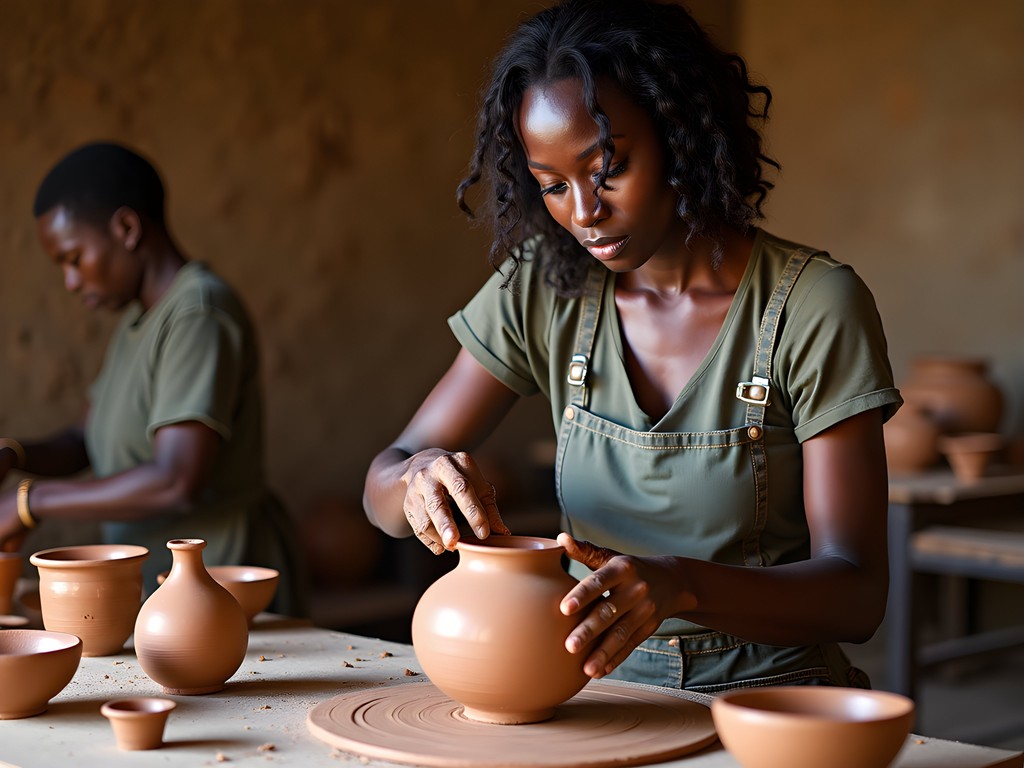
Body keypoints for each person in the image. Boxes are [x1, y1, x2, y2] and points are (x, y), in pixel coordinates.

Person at [363, 0, 902, 693]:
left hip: (769, 696)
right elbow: (384, 480)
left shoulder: (812, 304)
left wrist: (681, 587)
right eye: (553, 185)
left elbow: (856, 597)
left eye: (608, 167)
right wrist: (416, 481)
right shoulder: (546, 286)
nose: (584, 213)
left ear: (678, 133)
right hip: (590, 685)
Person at [0, 141, 306, 616]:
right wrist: (14, 454)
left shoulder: (198, 313)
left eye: (73, 258)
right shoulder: (138, 322)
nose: (71, 281)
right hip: (162, 597)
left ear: (126, 228)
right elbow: (86, 438)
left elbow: (176, 479)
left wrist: (31, 501)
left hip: (222, 596)